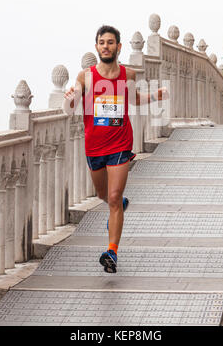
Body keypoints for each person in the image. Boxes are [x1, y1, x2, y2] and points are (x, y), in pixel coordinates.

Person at [64, 25, 168, 273]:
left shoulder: (128, 75)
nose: (106, 46)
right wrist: (69, 96)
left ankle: (112, 252)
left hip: (120, 143)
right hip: (94, 145)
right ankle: (120, 203)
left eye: (110, 42)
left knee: (111, 199)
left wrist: (156, 96)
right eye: (101, 42)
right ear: (96, 46)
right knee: (103, 195)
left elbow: (133, 99)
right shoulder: (85, 77)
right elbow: (72, 105)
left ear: (118, 47)